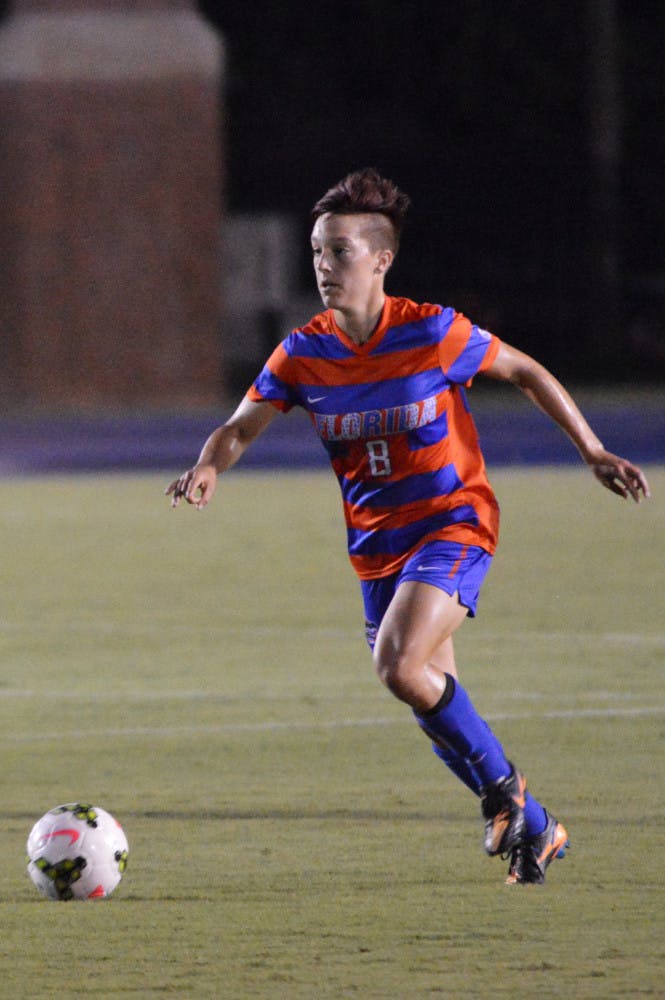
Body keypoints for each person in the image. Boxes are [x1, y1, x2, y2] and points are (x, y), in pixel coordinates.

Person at [166, 168, 650, 886]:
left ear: (381, 259)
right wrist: (209, 467)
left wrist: (590, 448)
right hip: (376, 547)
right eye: (316, 252)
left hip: (454, 523)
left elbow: (524, 371)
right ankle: (538, 828)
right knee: (421, 691)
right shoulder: (303, 353)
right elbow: (239, 427)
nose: (323, 267)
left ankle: (503, 794)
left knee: (396, 665)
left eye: (339, 251)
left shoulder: (431, 330)